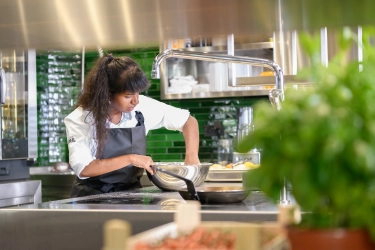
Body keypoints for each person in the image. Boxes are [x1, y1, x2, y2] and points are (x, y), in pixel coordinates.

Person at [64, 54, 200, 197]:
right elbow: (85, 168)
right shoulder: (79, 119)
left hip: (131, 196)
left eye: (138, 93)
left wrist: (191, 156)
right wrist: (132, 158)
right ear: (107, 94)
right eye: (128, 96)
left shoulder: (141, 108)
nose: (135, 101)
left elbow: (189, 121)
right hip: (90, 198)